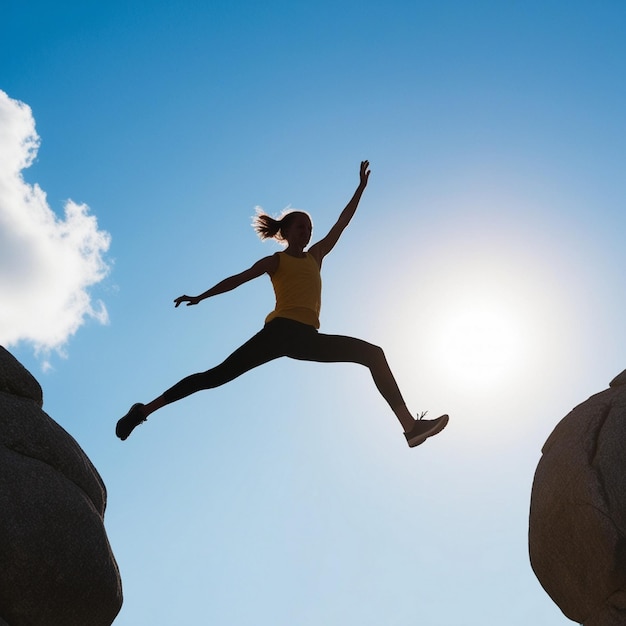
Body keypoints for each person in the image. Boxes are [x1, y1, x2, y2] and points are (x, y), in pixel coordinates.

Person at [116, 161, 448, 447]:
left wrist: (360, 188)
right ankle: (142, 412)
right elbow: (238, 278)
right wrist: (201, 296)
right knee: (214, 377)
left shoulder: (316, 256)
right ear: (286, 231)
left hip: (307, 338)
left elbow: (341, 224)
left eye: (310, 227)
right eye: (301, 226)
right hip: (278, 333)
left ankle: (410, 429)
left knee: (372, 354)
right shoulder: (276, 261)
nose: (308, 231)